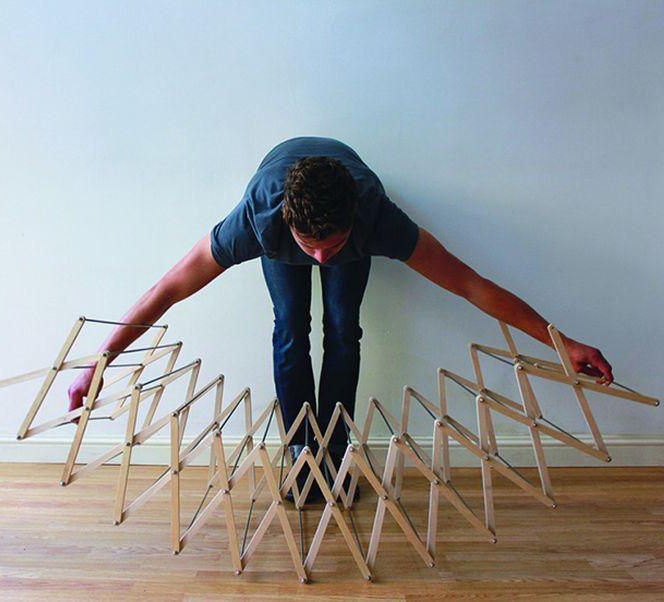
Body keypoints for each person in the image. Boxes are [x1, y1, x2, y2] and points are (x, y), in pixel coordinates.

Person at [68, 137, 613, 499]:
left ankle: (334, 454)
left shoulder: (377, 218)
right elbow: (169, 287)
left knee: (343, 331)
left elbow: (470, 285)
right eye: (311, 246)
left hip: (348, 203)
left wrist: (560, 343)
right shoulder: (259, 217)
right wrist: (100, 363)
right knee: (290, 332)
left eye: (332, 246)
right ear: (288, 224)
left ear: (354, 221)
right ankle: (302, 453)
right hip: (281, 201)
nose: (320, 260)